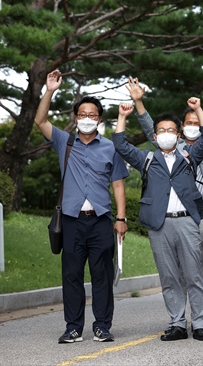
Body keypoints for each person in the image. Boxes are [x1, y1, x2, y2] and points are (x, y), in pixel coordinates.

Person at [126, 75, 203, 302]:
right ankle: (180, 311)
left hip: (201, 213)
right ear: (181, 128)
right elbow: (148, 126)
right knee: (176, 265)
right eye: (188, 123)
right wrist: (138, 102)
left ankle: (201, 311)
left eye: (196, 123)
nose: (193, 126)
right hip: (173, 213)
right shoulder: (173, 147)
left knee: (199, 264)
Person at [34, 70, 129, 344]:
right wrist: (49, 90)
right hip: (72, 220)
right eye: (82, 114)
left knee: (102, 276)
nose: (87, 119)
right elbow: (40, 120)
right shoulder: (65, 141)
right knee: (72, 275)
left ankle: (102, 326)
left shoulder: (110, 147)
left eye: (92, 115)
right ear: (76, 118)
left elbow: (119, 185)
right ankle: (73, 327)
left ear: (99, 119)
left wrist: (121, 219)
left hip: (101, 220)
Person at [112, 99, 203, 341]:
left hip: (188, 222)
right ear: (155, 136)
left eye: (171, 130)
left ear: (178, 135)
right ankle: (177, 323)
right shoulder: (146, 159)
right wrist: (122, 117)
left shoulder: (190, 156)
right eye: (161, 131)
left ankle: (200, 324)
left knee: (195, 275)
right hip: (159, 225)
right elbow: (120, 143)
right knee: (168, 277)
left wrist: (199, 108)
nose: (166, 134)